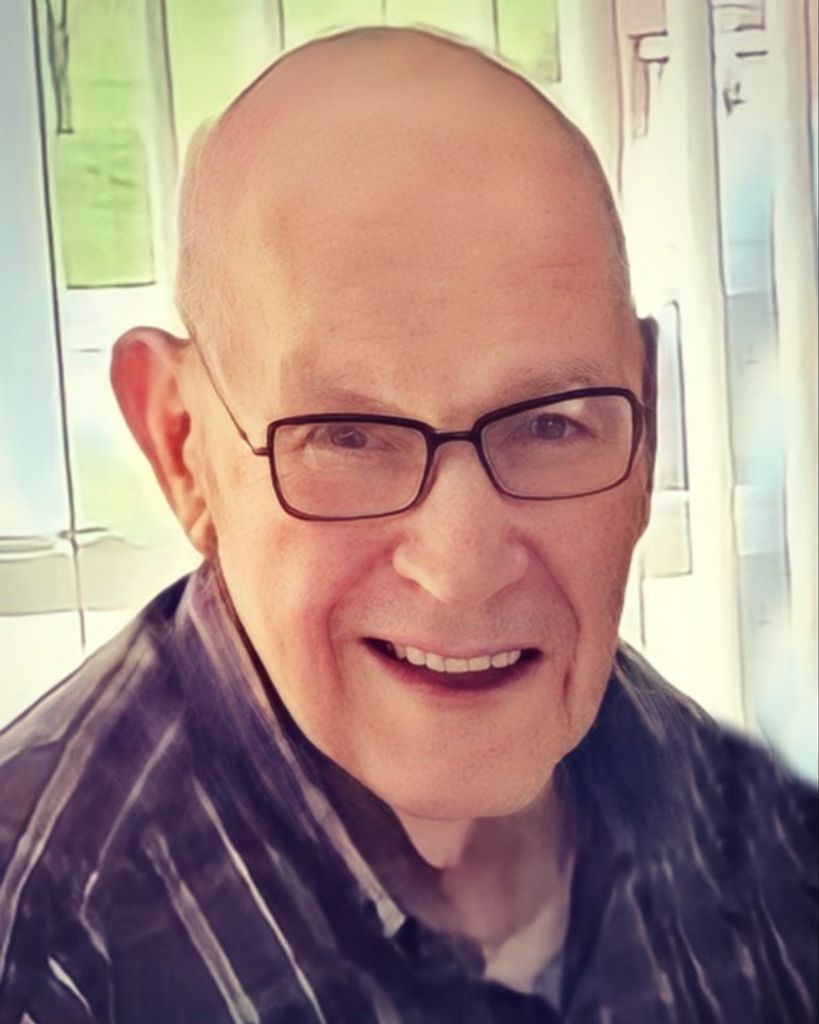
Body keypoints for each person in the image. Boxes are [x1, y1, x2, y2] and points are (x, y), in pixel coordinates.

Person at [0, 26, 815, 1024]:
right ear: (183, 446)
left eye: (551, 423)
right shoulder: (45, 961)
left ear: (643, 428)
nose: (463, 568)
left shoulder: (746, 838)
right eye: (346, 436)